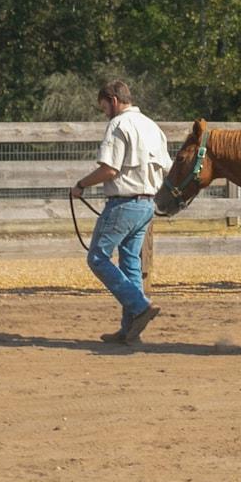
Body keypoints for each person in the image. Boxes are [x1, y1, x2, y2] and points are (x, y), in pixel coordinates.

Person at [70, 79, 170, 345]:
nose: (104, 112)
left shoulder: (118, 125)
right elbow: (166, 168)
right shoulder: (152, 126)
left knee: (98, 258)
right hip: (147, 204)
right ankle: (129, 329)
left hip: (123, 202)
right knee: (130, 262)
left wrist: (80, 185)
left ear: (113, 100)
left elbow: (110, 170)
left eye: (104, 107)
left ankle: (139, 306)